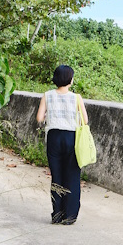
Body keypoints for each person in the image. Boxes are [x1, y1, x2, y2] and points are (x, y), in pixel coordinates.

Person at [35, 65, 88, 225]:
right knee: (72, 176)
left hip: (54, 137)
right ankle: (69, 216)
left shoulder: (47, 95)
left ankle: (57, 213)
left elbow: (39, 118)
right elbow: (85, 120)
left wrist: (50, 116)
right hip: (71, 137)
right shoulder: (76, 98)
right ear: (70, 80)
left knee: (56, 176)